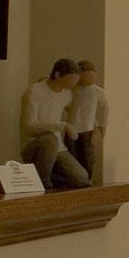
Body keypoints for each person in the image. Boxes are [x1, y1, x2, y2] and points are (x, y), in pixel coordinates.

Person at [19, 59, 89, 189]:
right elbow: (28, 127)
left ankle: (48, 175)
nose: (73, 84)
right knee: (50, 139)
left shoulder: (66, 94)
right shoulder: (34, 92)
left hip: (58, 147)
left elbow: (73, 109)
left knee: (81, 178)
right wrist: (61, 126)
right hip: (36, 145)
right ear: (57, 75)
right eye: (71, 80)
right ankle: (42, 181)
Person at [68, 61, 110, 186]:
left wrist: (103, 126)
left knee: (86, 154)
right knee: (71, 153)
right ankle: (73, 178)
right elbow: (66, 105)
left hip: (87, 127)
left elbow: (105, 108)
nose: (88, 79)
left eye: (91, 76)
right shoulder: (73, 90)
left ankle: (87, 178)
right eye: (85, 76)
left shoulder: (97, 91)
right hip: (71, 127)